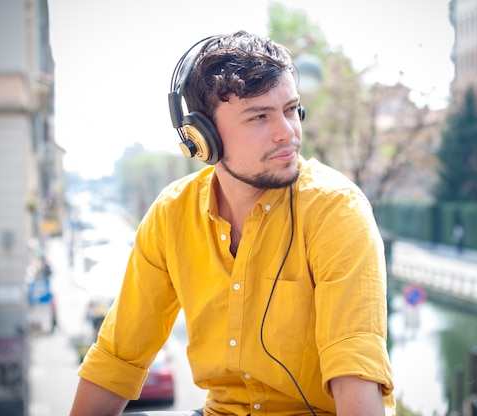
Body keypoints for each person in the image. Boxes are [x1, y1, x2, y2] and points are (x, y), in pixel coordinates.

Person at [70, 30, 395, 416]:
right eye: (259, 117)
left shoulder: (337, 210)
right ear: (202, 136)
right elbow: (116, 358)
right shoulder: (171, 214)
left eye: (291, 110)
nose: (287, 133)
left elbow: (355, 377)